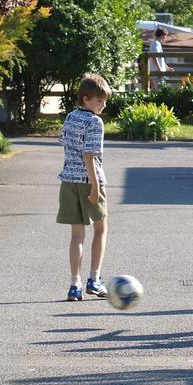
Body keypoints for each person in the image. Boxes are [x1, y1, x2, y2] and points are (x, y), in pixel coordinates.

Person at [56, 73, 113, 302]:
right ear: (86, 98)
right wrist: (95, 186)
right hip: (89, 181)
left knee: (76, 235)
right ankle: (94, 279)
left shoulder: (70, 117)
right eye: (99, 100)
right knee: (101, 229)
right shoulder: (94, 122)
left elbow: (65, 143)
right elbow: (89, 155)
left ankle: (74, 285)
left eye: (105, 101)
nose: (103, 105)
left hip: (69, 180)